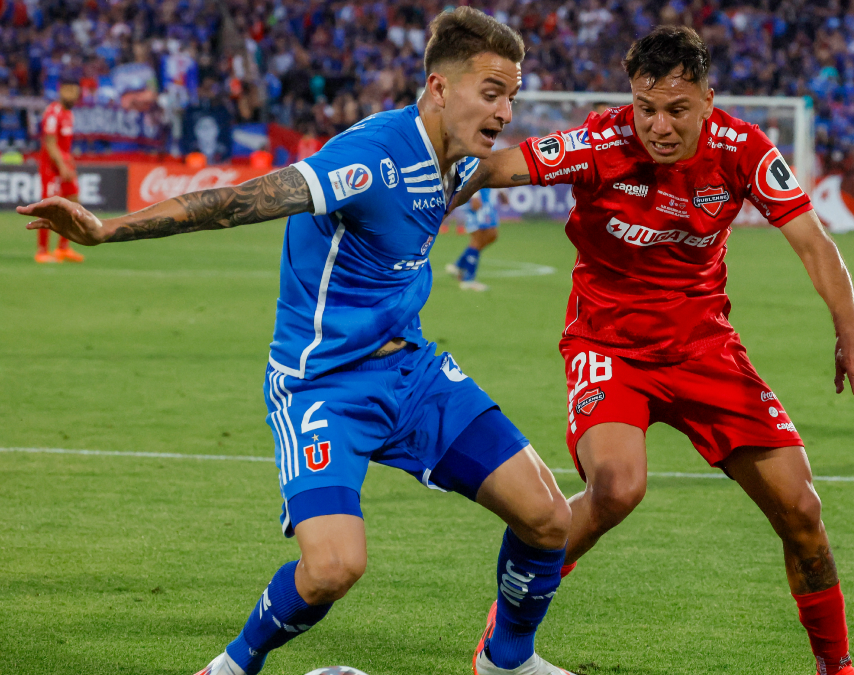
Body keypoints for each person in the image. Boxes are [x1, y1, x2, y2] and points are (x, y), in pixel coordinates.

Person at [18, 9, 577, 675]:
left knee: (548, 516)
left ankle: (507, 659)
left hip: (415, 376)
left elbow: (548, 160)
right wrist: (110, 230)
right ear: (438, 87)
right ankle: (231, 664)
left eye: (512, 95)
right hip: (324, 385)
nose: (505, 109)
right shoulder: (370, 160)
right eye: (492, 92)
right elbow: (236, 200)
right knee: (335, 566)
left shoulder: (463, 161)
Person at [456, 27, 854, 675]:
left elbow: (813, 241)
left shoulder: (742, 148)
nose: (657, 125)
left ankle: (836, 664)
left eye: (676, 109)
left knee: (801, 509)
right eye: (645, 107)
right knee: (616, 487)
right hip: (609, 345)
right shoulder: (600, 140)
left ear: (708, 100)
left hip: (705, 349)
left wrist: (850, 330)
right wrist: (420, 199)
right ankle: (507, 634)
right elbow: (494, 167)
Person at [36, 76, 85, 263]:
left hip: (65, 166)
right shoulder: (52, 112)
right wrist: (62, 165)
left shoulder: (69, 114)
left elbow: (64, 146)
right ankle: (42, 251)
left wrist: (69, 162)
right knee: (49, 207)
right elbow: (50, 144)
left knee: (73, 203)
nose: (74, 96)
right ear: (62, 90)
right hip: (51, 168)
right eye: (71, 91)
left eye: (76, 92)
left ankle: (63, 247)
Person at [446, 186, 504, 291]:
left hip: (485, 193)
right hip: (478, 192)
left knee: (492, 235)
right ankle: (468, 280)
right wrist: (474, 195)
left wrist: (502, 190)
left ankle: (459, 265)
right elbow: (475, 171)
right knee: (479, 236)